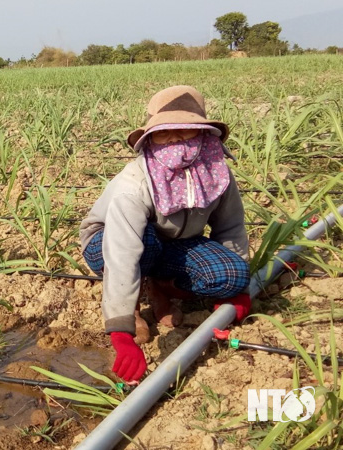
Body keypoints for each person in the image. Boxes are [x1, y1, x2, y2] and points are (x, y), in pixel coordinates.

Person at [79, 85, 251, 383]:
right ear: (150, 138)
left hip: (175, 243)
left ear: (202, 134)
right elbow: (122, 254)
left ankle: (160, 285)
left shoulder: (216, 173)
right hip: (110, 242)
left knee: (231, 274)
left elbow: (230, 226)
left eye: (184, 131)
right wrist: (121, 333)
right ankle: (133, 307)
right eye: (163, 133)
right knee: (144, 241)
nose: (173, 139)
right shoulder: (133, 184)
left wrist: (238, 291)